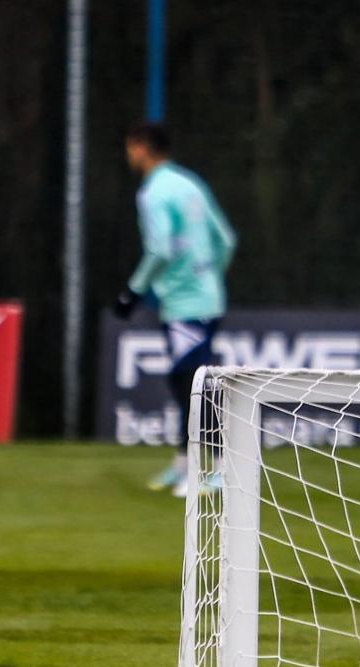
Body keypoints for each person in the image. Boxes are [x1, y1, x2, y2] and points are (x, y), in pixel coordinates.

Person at [114, 122, 236, 498]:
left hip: (186, 303)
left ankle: (213, 472)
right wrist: (209, 278)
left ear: (140, 148)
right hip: (206, 297)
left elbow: (161, 250)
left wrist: (133, 292)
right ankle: (185, 463)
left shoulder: (153, 192)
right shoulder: (189, 183)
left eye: (130, 147)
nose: (128, 155)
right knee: (185, 379)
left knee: (192, 384)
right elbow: (226, 240)